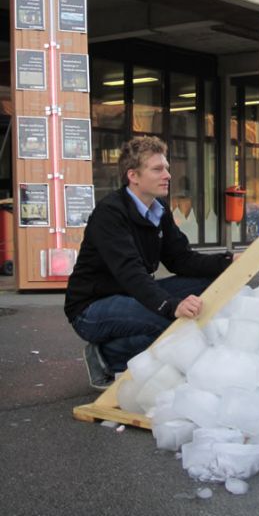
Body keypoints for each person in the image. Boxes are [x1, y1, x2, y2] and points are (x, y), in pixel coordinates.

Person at [64, 136, 233, 390]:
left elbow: (181, 260)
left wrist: (229, 262)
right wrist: (171, 305)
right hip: (92, 308)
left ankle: (150, 355)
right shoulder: (110, 213)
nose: (167, 175)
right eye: (157, 169)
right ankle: (107, 357)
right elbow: (130, 273)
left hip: (132, 295)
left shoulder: (158, 210)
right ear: (133, 175)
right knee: (171, 323)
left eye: (166, 168)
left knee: (212, 285)